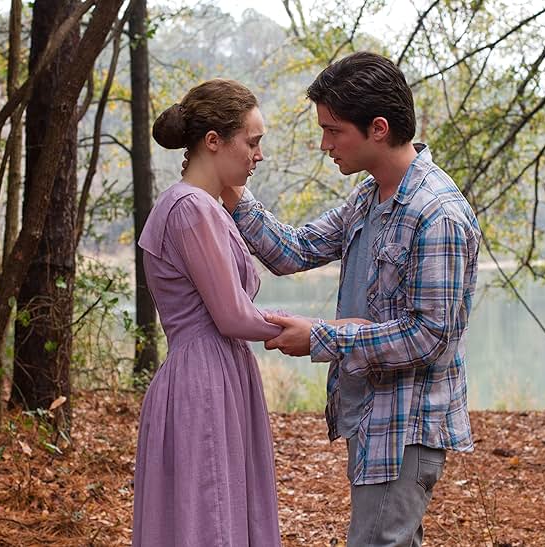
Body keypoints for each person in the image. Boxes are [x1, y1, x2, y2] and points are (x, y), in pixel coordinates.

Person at [220, 52, 481, 546]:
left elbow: (429, 337)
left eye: (334, 130)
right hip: (371, 416)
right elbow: (294, 250)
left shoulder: (437, 214)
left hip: (406, 425)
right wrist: (230, 186)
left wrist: (321, 337)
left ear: (378, 128)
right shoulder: (371, 196)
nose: (325, 144)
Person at [132, 78, 283, 547]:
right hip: (203, 379)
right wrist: (318, 331)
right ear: (213, 142)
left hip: (218, 373)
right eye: (252, 142)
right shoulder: (190, 208)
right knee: (211, 520)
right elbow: (233, 316)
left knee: (221, 513)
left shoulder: (206, 206)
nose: (258, 155)